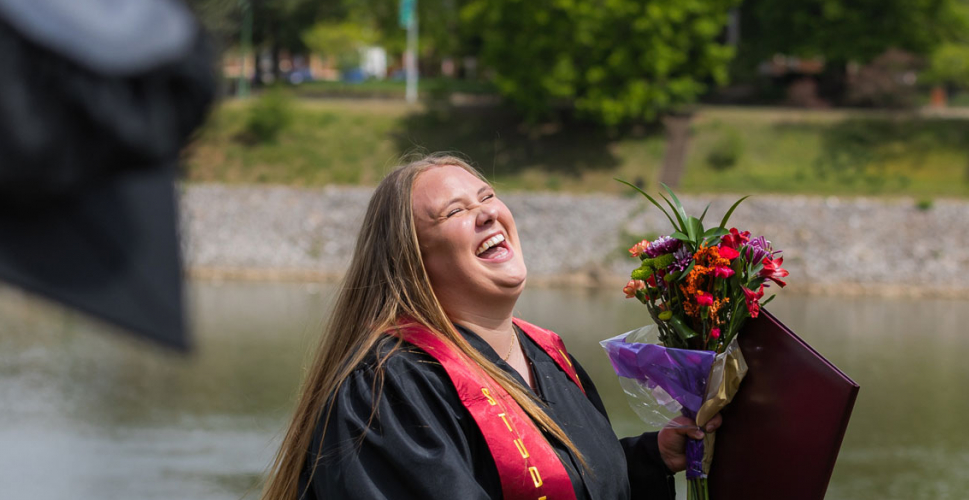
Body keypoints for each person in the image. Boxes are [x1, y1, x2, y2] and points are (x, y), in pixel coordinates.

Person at [261, 154, 719, 500]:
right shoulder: (390, 386)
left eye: (486, 196)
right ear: (414, 261)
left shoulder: (547, 355)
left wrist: (652, 459)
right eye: (454, 211)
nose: (487, 213)